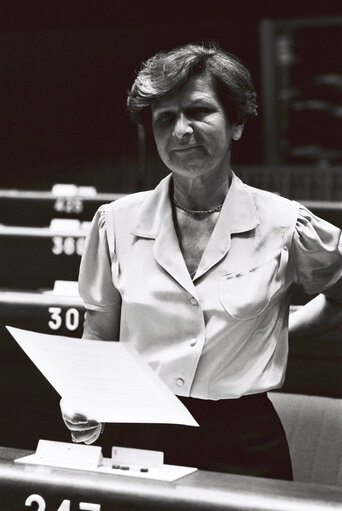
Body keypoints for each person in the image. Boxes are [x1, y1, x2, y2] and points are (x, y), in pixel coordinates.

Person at [60, 42, 342, 480]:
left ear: (237, 124)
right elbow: (98, 332)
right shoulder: (113, 223)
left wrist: (276, 335)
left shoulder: (288, 224)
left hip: (244, 440)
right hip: (140, 434)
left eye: (198, 111)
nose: (181, 131)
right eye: (165, 119)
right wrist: (82, 393)